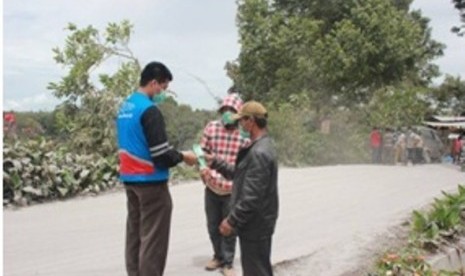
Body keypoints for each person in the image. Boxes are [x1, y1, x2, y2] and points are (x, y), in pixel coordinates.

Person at [116, 61, 197, 276]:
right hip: (151, 183)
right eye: (163, 88)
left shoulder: (125, 107)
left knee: (134, 235)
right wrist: (183, 156)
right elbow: (161, 155)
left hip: (130, 180)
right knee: (153, 241)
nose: (163, 93)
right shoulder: (149, 111)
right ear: (153, 83)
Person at [203, 101, 278, 276]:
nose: (240, 125)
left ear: (251, 121)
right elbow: (239, 176)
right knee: (257, 267)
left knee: (256, 270)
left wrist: (231, 220)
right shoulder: (259, 147)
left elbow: (251, 197)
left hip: (256, 224)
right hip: (257, 222)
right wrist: (215, 162)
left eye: (242, 120)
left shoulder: (259, 153)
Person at [200, 94, 248, 276]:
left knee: (228, 226)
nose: (227, 114)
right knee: (213, 225)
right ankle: (218, 256)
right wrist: (203, 169)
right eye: (224, 110)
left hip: (231, 189)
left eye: (232, 111)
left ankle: (228, 263)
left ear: (239, 114)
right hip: (212, 186)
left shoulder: (243, 136)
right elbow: (201, 151)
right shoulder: (211, 128)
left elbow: (245, 164)